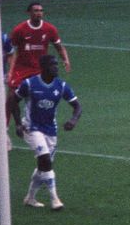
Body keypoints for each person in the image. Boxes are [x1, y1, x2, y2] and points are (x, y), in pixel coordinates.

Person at [9, 55, 81, 211]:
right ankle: (55, 199)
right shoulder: (29, 84)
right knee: (46, 161)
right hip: (32, 128)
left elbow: (77, 106)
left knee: (44, 166)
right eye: (52, 65)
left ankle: (30, 198)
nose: (56, 67)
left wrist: (73, 120)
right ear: (44, 68)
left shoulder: (61, 86)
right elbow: (12, 100)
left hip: (50, 130)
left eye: (56, 65)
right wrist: (18, 124)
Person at [7, 2, 71, 90]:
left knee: (41, 94)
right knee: (12, 94)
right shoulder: (19, 29)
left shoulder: (49, 29)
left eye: (41, 11)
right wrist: (11, 71)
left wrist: (65, 60)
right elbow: (12, 51)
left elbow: (59, 48)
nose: (39, 13)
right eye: (36, 11)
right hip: (22, 68)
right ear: (29, 13)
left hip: (40, 69)